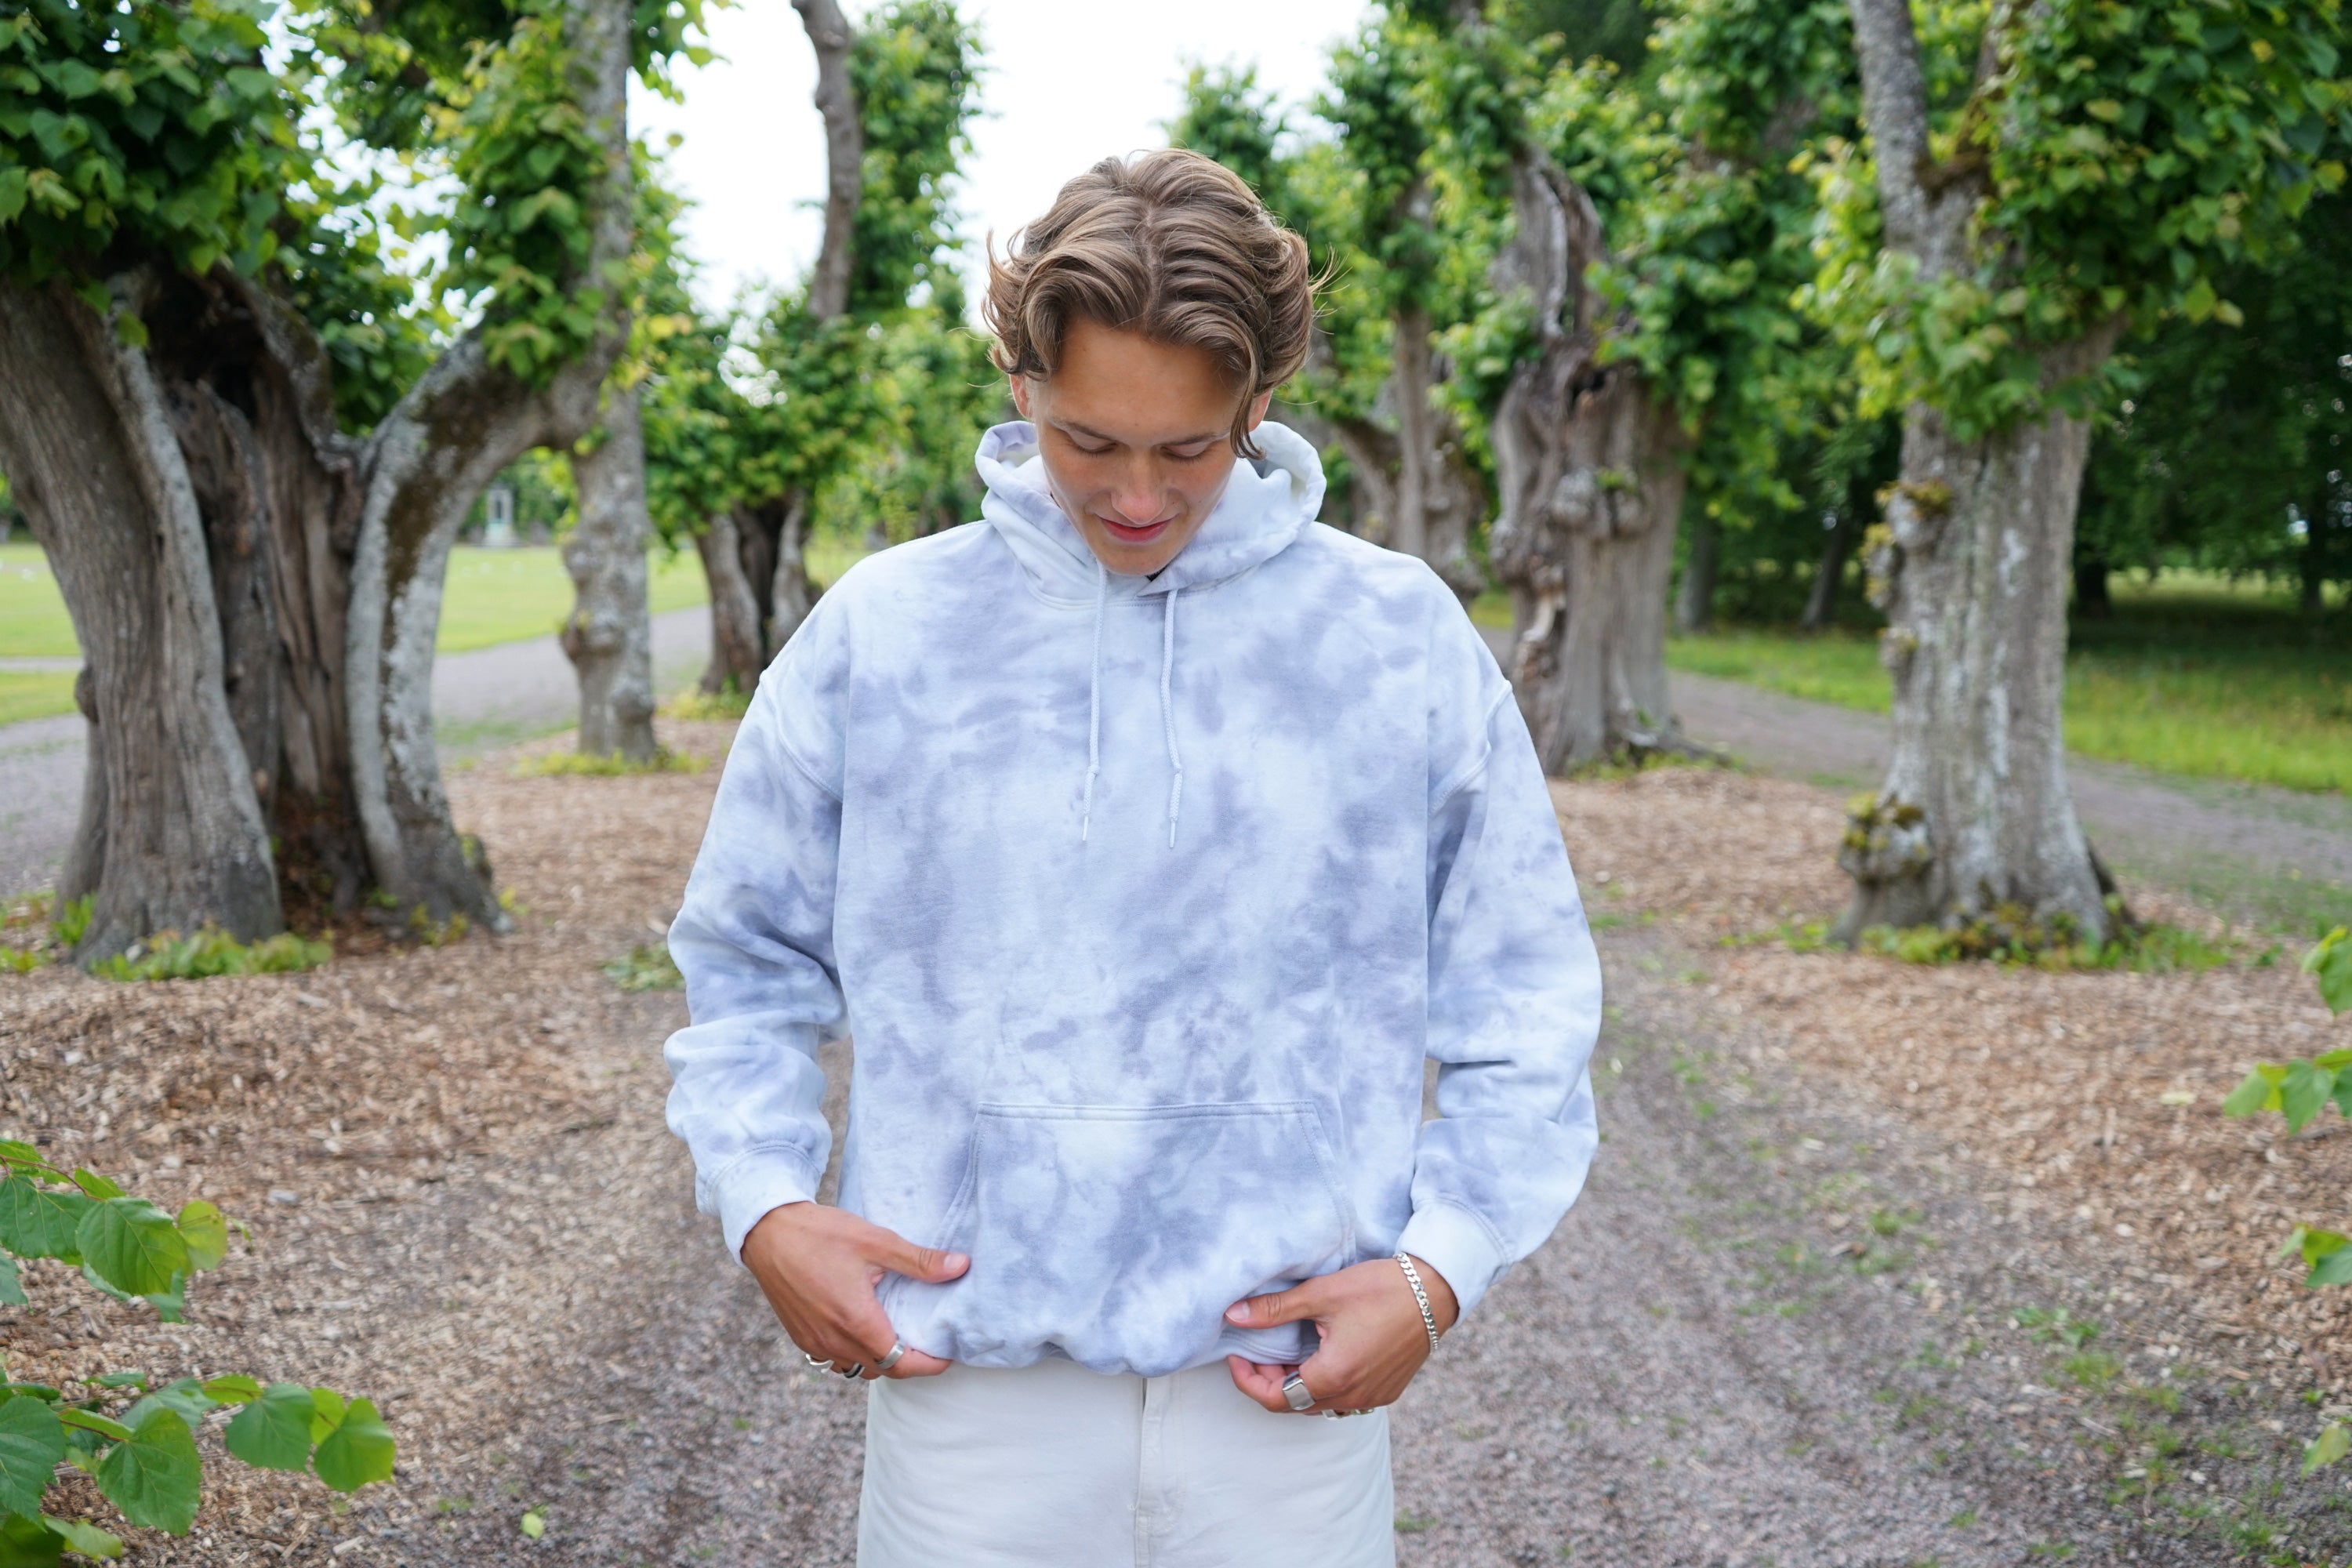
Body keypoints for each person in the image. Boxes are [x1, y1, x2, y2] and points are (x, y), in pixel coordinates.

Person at [662, 148, 1602, 1567]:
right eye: (1091, 443)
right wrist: (767, 1208)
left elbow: (1524, 988)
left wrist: (1440, 1272)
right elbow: (745, 960)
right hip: (969, 1416)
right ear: (1022, 383)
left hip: (1285, 1417)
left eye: (1190, 449)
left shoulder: (1395, 638)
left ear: (1259, 406)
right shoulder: (887, 632)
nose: (1140, 497)